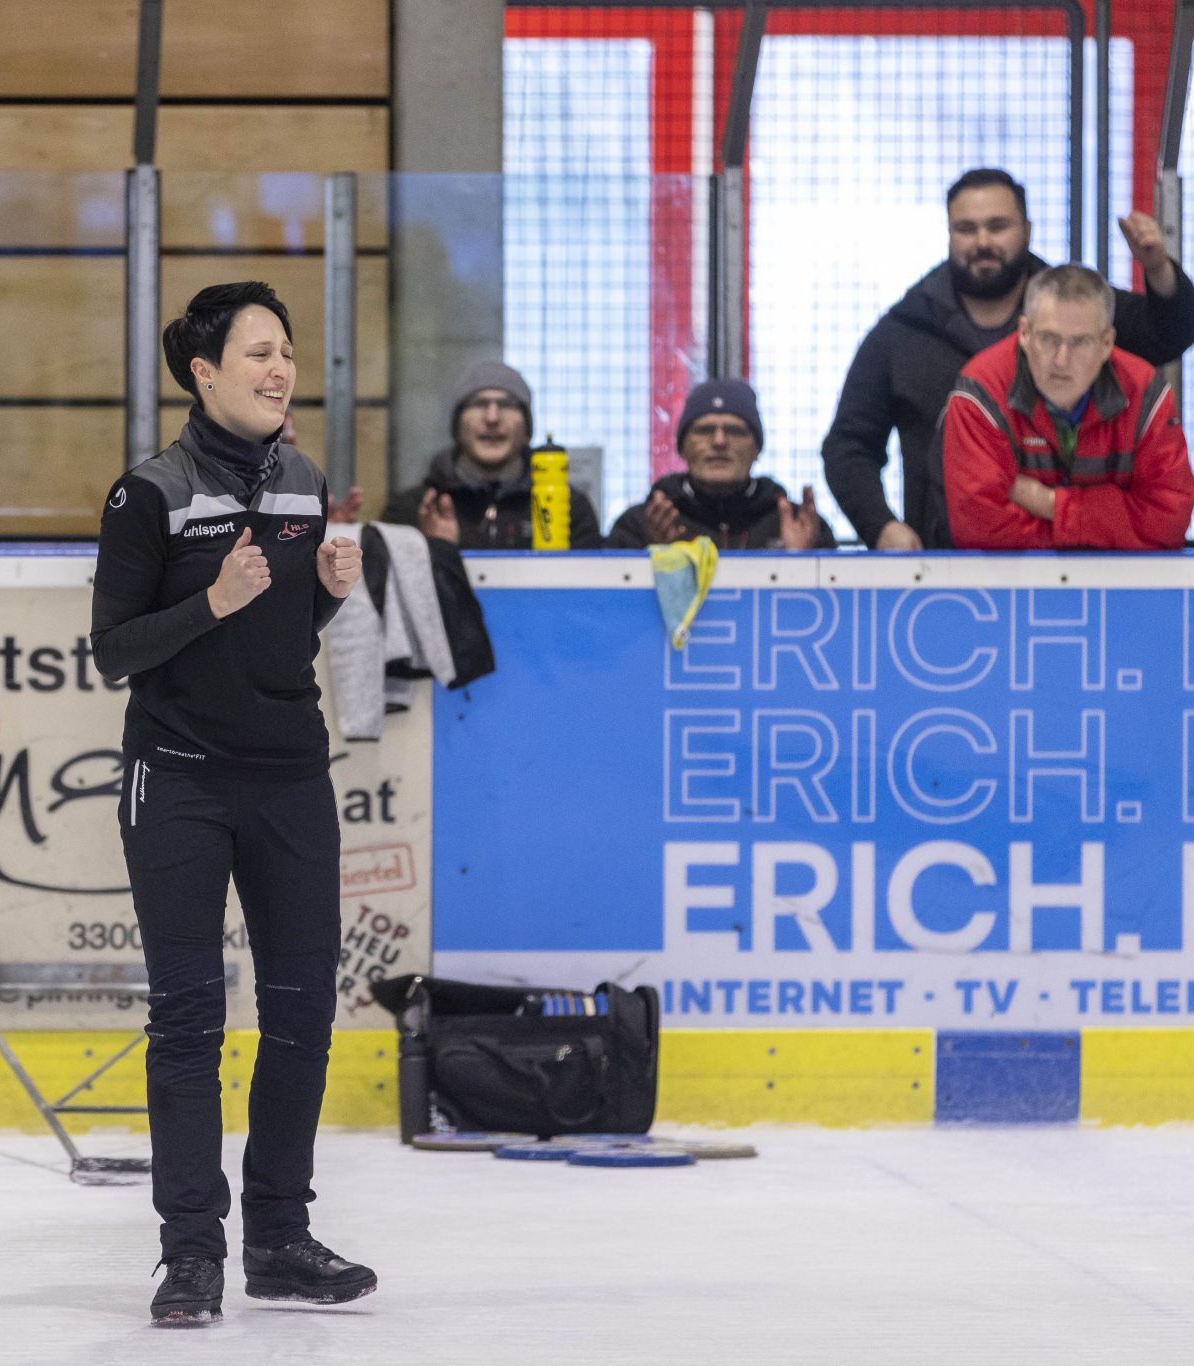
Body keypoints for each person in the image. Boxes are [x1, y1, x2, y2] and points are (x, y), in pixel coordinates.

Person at [90, 282, 375, 1325]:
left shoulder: (302, 481)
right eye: (255, 353)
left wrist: (328, 592)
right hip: (176, 776)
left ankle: (279, 1237)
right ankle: (190, 1252)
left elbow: (279, 637)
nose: (277, 369)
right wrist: (209, 599)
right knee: (188, 1019)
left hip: (289, 774)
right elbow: (111, 650)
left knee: (302, 1013)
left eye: (286, 352)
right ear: (202, 374)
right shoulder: (148, 494)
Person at [823, 168, 1194, 549]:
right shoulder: (902, 332)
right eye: (966, 229)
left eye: (998, 225)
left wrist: (1157, 269)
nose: (982, 241)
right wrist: (882, 526)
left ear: (1027, 229)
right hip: (950, 564)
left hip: (1106, 572)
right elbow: (848, 444)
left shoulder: (1070, 308)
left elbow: (1170, 333)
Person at [942, 265, 1193, 550]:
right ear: (1024, 333)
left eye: (1080, 342)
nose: (1061, 360)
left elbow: (1168, 522)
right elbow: (978, 528)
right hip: (1007, 591)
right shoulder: (981, 391)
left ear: (1107, 343)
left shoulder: (1145, 392)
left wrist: (1049, 503)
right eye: (1049, 339)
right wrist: (1105, 528)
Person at [379, 360, 603, 548]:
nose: (492, 418)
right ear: (457, 425)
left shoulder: (571, 509)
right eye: (479, 404)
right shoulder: (413, 510)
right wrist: (435, 549)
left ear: (527, 428)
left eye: (507, 405)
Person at [607, 378, 836, 550]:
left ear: (757, 448)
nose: (719, 441)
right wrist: (655, 558)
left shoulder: (801, 526)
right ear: (681, 447)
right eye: (704, 430)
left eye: (735, 431)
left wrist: (801, 562)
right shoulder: (639, 526)